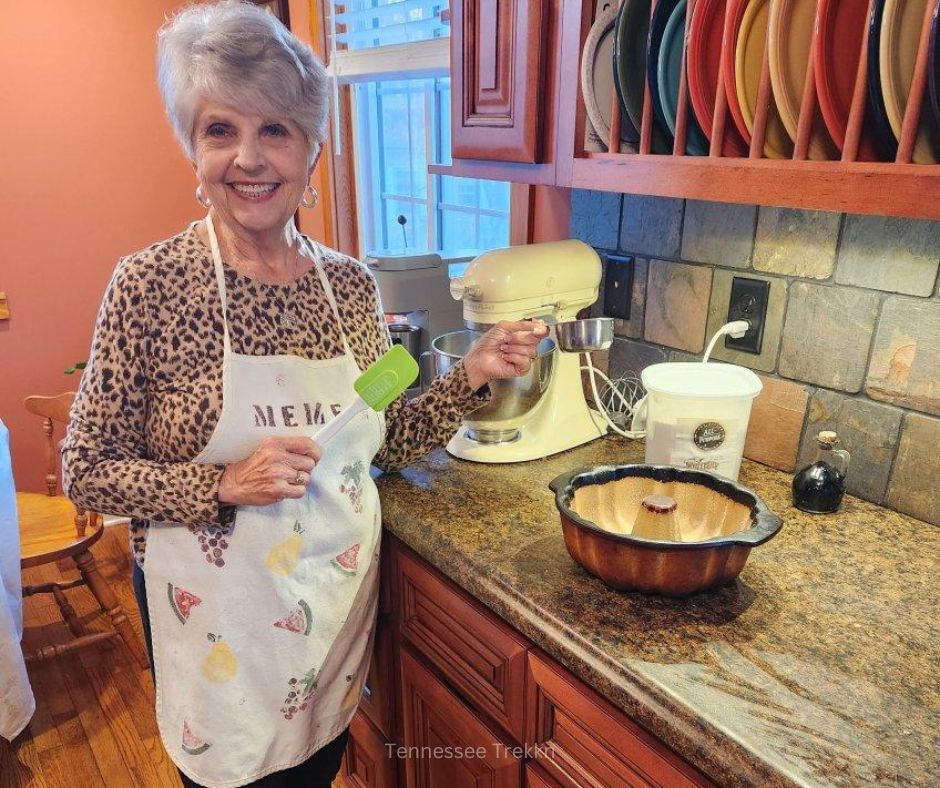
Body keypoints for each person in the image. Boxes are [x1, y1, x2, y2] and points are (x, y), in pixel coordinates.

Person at [61, 3, 547, 786]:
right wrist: (221, 482)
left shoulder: (350, 288)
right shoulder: (151, 284)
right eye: (221, 130)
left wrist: (475, 375)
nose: (248, 158)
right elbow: (84, 470)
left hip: (328, 620)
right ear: (193, 145)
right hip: (222, 636)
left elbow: (379, 443)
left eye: (275, 131)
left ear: (312, 149)